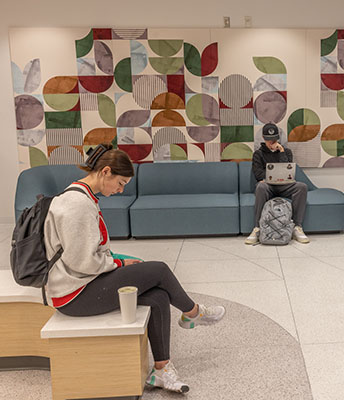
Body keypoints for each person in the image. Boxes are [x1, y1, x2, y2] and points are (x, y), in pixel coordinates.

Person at [43, 143, 225, 394]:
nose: (120, 190)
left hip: (80, 284)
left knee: (159, 296)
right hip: (74, 294)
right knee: (159, 270)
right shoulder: (78, 205)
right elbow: (82, 262)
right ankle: (193, 312)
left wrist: (118, 261)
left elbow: (87, 253)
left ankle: (162, 369)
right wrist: (118, 264)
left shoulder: (81, 196)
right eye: (121, 183)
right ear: (105, 172)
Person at [245, 123, 309, 245]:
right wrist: (267, 177)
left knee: (302, 187)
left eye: (274, 139)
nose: (272, 142)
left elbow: (288, 169)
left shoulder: (287, 152)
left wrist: (281, 152)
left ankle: (297, 227)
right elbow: (258, 174)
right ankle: (257, 228)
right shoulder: (258, 154)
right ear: (264, 139)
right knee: (260, 186)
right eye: (269, 140)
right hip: (268, 187)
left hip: (285, 186)